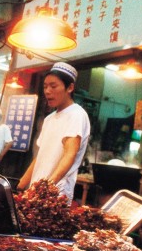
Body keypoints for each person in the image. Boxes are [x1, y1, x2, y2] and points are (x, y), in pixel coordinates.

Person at [17, 61, 90, 203]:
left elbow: (70, 154)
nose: (47, 91)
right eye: (45, 86)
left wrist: (46, 187)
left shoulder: (76, 114)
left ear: (70, 87)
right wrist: (19, 186)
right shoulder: (49, 119)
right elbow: (40, 158)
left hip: (56, 193)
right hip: (36, 191)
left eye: (53, 86)